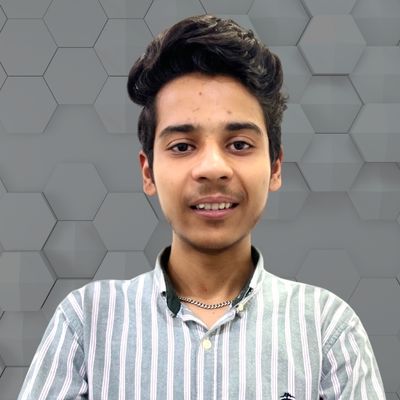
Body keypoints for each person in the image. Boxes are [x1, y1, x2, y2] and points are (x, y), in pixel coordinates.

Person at [18, 14, 385, 400]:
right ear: (148, 172)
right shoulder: (87, 325)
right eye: (182, 146)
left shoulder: (327, 332)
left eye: (239, 144)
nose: (212, 168)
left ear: (275, 167)